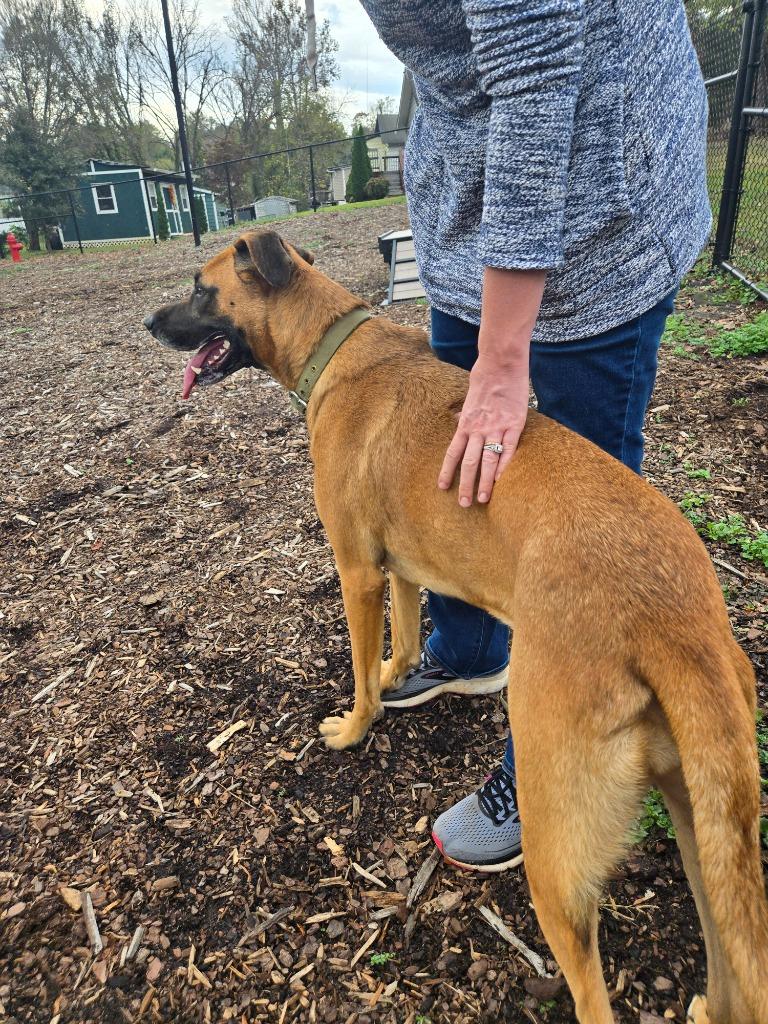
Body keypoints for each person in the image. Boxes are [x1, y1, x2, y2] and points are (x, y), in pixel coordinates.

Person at [359, 0, 711, 871]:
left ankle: (547, 774)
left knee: (575, 544)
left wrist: (504, 354)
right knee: (462, 473)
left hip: (601, 193)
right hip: (473, 201)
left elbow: (536, 71)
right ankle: (473, 648)